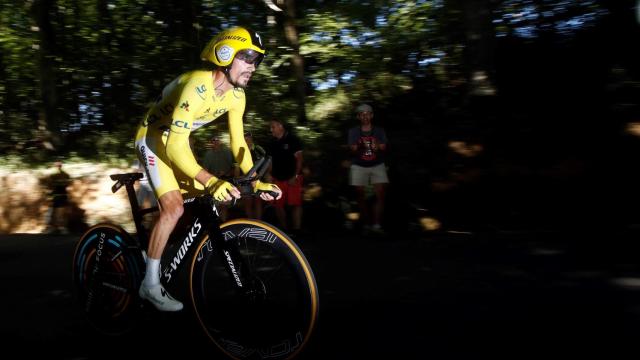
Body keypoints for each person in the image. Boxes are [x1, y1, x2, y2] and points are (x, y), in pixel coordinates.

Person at [134, 27, 282, 312]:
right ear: (225, 54)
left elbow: (239, 143)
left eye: (257, 61)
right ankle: (149, 284)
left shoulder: (236, 97)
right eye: (248, 57)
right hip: (152, 138)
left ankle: (153, 249)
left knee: (206, 199)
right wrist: (212, 180)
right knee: (174, 207)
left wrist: (256, 181)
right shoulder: (197, 86)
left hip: (177, 141)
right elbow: (176, 146)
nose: (253, 66)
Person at [347, 103, 389, 234]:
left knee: (380, 194)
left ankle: (376, 225)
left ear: (372, 115)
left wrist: (378, 146)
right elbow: (352, 149)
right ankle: (366, 224)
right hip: (359, 165)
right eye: (362, 114)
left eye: (367, 113)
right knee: (360, 194)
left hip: (377, 164)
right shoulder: (353, 131)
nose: (365, 116)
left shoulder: (379, 130)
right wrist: (360, 145)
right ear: (358, 117)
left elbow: (384, 147)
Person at [267, 119, 304, 236]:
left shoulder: (293, 139)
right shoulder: (272, 143)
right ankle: (285, 230)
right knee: (277, 205)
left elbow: (299, 159)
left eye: (273, 127)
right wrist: (269, 174)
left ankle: (297, 230)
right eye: (270, 127)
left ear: (280, 126)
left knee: (295, 204)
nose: (271, 130)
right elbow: (270, 161)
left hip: (293, 176)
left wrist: (295, 175)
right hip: (278, 178)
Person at [201, 135, 236, 221]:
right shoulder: (208, 154)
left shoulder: (227, 152)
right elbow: (205, 170)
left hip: (226, 179)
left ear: (220, 142)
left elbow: (234, 167)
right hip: (213, 181)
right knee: (215, 204)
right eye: (213, 140)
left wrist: (227, 173)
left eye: (217, 140)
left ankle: (223, 223)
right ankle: (216, 223)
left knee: (224, 204)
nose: (215, 142)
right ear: (211, 142)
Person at [241, 131, 266, 219]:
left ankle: (258, 221)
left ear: (251, 138)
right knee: (247, 202)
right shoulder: (241, 149)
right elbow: (237, 166)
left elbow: (267, 160)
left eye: (249, 138)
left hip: (257, 178)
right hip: (245, 179)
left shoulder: (258, 149)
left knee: (258, 200)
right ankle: (250, 221)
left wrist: (267, 174)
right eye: (245, 138)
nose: (247, 140)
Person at [43, 161, 71, 234]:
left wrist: (49, 196)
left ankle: (56, 228)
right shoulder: (66, 175)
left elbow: (50, 186)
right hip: (62, 195)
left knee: (55, 212)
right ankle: (61, 228)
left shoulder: (53, 175)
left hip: (57, 195)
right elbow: (68, 185)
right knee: (60, 212)